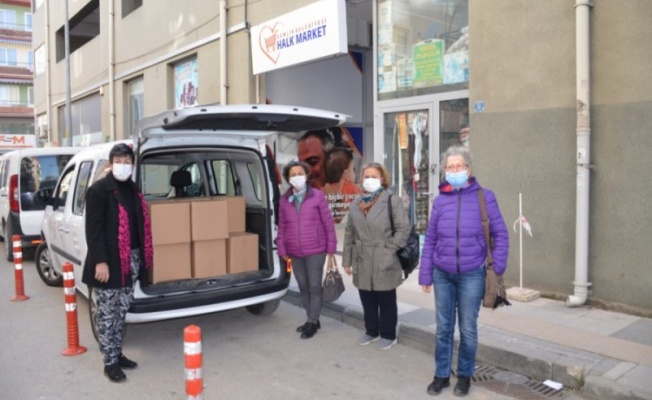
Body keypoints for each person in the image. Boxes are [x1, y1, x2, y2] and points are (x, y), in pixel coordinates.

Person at [419, 145, 508, 397]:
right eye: (450, 167)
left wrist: (496, 267)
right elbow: (431, 238)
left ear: (468, 169)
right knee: (443, 327)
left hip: (472, 274)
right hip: (442, 273)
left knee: (468, 328)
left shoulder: (484, 196)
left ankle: (465, 375)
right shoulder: (439, 201)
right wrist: (425, 274)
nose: (454, 170)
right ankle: (441, 375)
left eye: (459, 166)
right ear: (445, 171)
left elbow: (501, 234)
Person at [81, 143, 153, 383]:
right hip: (108, 262)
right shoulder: (99, 190)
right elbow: (94, 230)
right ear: (110, 164)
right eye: (118, 161)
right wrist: (100, 262)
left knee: (121, 310)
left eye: (127, 161)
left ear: (132, 165)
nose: (123, 166)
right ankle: (109, 362)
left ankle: (117, 352)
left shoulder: (133, 190)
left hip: (129, 260)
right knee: (107, 314)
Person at [342, 163, 410, 350]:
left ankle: (388, 334)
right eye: (366, 176)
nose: (369, 180)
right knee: (367, 297)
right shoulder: (356, 203)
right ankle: (371, 330)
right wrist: (347, 260)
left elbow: (403, 229)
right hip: (362, 256)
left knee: (386, 298)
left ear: (382, 179)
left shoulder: (391, 200)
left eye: (373, 176)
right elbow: (349, 232)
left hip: (384, 255)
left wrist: (389, 249)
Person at [276, 160, 337, 339]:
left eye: (300, 173)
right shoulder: (284, 199)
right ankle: (313, 317)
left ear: (307, 175)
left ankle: (312, 321)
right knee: (303, 286)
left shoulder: (317, 196)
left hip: (316, 250)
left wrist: (331, 248)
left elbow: (328, 223)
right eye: (293, 174)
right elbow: (282, 226)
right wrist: (282, 248)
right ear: (288, 178)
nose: (297, 177)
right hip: (294, 251)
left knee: (314, 286)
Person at [322, 147, 362, 223]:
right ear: (346, 174)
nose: (355, 174)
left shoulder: (321, 191)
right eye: (353, 169)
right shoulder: (352, 190)